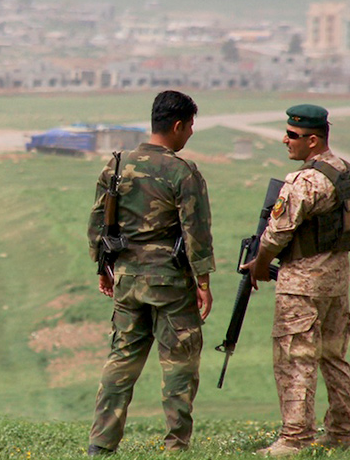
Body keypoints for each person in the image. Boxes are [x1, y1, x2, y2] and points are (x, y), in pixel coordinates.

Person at [86, 90, 215, 455]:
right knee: (179, 364)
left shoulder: (115, 166)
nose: (190, 133)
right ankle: (176, 445)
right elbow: (197, 232)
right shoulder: (183, 171)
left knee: (122, 360)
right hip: (170, 282)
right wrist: (203, 282)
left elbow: (98, 224)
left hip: (126, 279)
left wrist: (103, 268)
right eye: (189, 127)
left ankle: (101, 443)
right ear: (177, 126)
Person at [240, 104, 350, 457]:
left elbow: (277, 233)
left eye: (292, 136)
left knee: (296, 358)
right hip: (336, 282)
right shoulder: (345, 172)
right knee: (333, 356)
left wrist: (260, 264)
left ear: (312, 140)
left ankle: (295, 438)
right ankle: (341, 430)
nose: (285, 140)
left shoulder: (304, 180)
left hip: (302, 283)